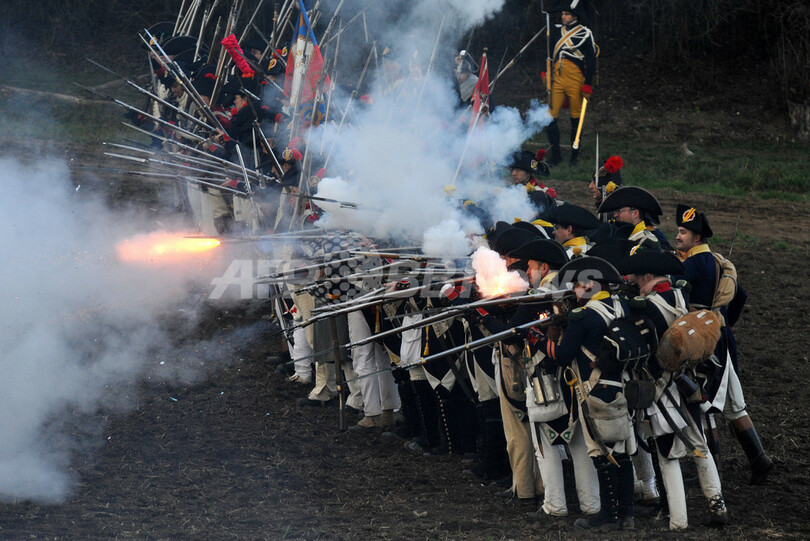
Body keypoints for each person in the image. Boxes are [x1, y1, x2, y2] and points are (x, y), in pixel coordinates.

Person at [619, 248, 728, 529]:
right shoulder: (680, 294)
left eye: (636, 278)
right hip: (688, 382)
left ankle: (678, 520)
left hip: (665, 390)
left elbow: (650, 354)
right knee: (700, 446)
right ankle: (718, 505)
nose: (634, 282)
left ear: (647, 275)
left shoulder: (648, 307)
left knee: (667, 455)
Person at [670, 205, 774, 486]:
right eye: (679, 231)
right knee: (732, 404)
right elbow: (740, 295)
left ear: (697, 237)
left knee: (703, 401)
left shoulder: (690, 264)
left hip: (705, 341)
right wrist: (727, 322)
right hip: (723, 336)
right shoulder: (718, 262)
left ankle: (712, 466)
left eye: (683, 232)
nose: (678, 236)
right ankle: (758, 459)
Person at [531, 256, 636, 531]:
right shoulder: (619, 305)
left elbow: (563, 356)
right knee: (622, 451)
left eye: (578, 284)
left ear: (590, 284)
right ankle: (627, 514)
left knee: (601, 452)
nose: (575, 289)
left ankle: (609, 515)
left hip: (594, 389)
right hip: (623, 385)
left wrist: (538, 338)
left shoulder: (584, 315)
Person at [543, 1, 596, 166]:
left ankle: (575, 155)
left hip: (575, 80)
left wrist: (587, 84)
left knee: (576, 119)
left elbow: (591, 62)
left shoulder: (585, 34)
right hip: (557, 79)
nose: (563, 16)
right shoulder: (556, 32)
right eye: (563, 14)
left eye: (566, 14)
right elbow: (549, 54)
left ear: (575, 16)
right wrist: (545, 73)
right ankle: (556, 155)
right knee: (550, 117)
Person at [597, 186, 672, 250]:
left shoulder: (653, 238)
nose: (615, 215)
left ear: (635, 213)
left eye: (619, 211)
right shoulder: (619, 233)